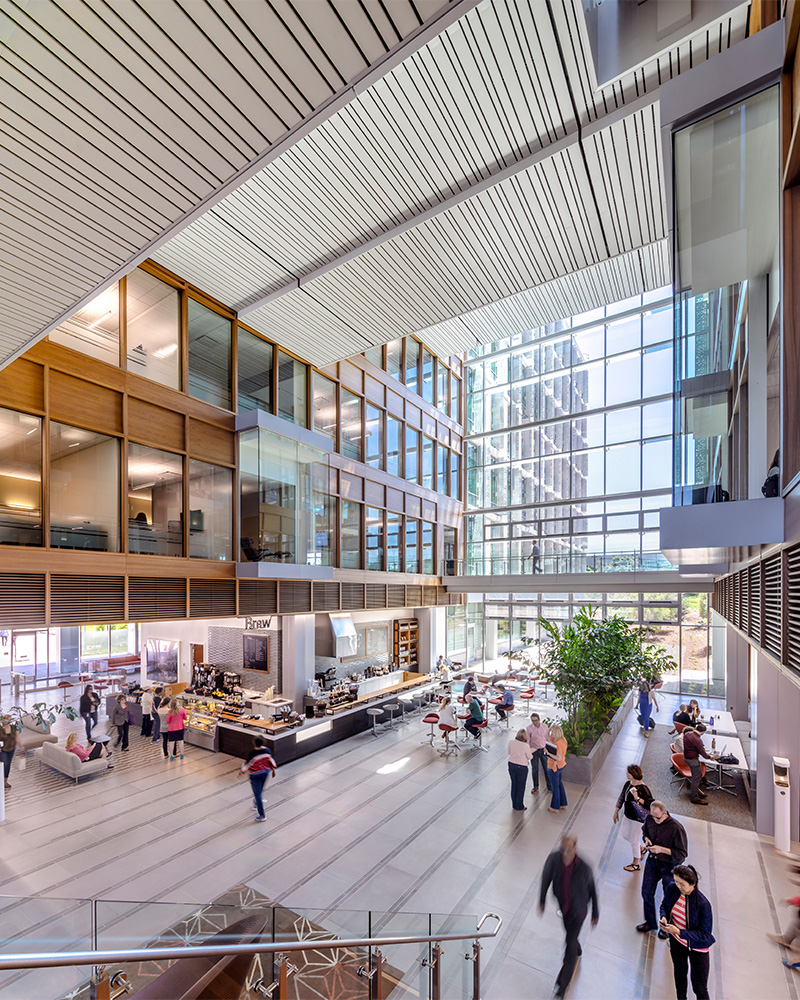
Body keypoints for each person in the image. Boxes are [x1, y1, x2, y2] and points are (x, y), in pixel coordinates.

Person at [539, 835, 599, 999]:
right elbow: (546, 878)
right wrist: (542, 900)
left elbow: (592, 889)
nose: (565, 852)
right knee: (570, 936)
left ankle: (562, 985)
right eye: (563, 848)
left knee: (569, 945)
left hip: (579, 911)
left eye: (568, 848)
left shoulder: (583, 867)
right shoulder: (554, 860)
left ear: (575, 848)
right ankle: (577, 947)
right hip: (564, 908)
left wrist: (595, 912)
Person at [660, 865, 715, 1000]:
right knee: (679, 976)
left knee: (699, 987)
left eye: (682, 884)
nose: (678, 886)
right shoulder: (673, 889)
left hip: (697, 948)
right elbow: (664, 906)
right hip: (677, 942)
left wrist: (679, 931)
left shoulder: (703, 904)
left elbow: (704, 935)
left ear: (693, 884)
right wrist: (664, 916)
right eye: (676, 881)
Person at [637, 801, 688, 935]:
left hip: (669, 865)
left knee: (669, 897)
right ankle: (650, 922)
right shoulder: (650, 818)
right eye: (653, 817)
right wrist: (646, 839)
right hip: (653, 862)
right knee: (646, 892)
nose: (655, 820)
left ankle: (666, 928)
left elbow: (682, 854)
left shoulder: (676, 828)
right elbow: (645, 831)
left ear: (665, 813)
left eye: (658, 818)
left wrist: (662, 850)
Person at [613, 763, 653, 871]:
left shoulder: (644, 789)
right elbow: (622, 796)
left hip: (638, 819)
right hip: (628, 815)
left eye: (628, 772)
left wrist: (637, 798)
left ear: (633, 774)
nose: (626, 773)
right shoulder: (628, 784)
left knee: (634, 840)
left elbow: (650, 804)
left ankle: (635, 864)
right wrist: (617, 810)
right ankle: (642, 849)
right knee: (626, 835)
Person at [240, 735, 277, 822]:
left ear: (254, 743)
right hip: (265, 773)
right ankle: (256, 803)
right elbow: (271, 760)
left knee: (258, 795)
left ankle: (262, 815)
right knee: (260, 790)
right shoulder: (267, 750)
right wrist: (273, 770)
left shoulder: (252, 753)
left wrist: (242, 771)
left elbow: (246, 765)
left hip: (255, 776)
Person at [682, 723, 719, 805]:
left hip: (686, 758)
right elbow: (705, 756)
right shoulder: (698, 740)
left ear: (696, 728)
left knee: (697, 776)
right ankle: (694, 798)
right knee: (696, 779)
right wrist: (713, 757)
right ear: (703, 732)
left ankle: (696, 792)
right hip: (693, 761)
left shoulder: (687, 734)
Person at [526, 713, 551, 794]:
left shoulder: (544, 726)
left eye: (536, 720)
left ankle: (549, 786)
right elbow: (528, 741)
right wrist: (529, 751)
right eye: (533, 721)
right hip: (534, 750)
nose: (534, 722)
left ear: (539, 720)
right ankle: (535, 786)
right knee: (535, 769)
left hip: (543, 750)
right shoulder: (529, 728)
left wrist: (548, 748)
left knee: (546, 769)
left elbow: (547, 738)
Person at [507, 729, 532, 810]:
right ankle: (519, 805)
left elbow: (509, 752)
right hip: (522, 767)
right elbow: (529, 757)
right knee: (521, 786)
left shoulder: (511, 742)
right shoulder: (526, 746)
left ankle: (514, 804)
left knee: (514, 784)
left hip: (511, 765)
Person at [547, 723, 568, 813]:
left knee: (555, 787)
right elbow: (546, 737)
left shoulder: (558, 743)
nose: (551, 734)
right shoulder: (562, 740)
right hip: (561, 765)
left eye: (552, 732)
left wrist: (547, 753)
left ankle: (555, 807)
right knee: (559, 784)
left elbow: (558, 757)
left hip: (554, 767)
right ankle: (563, 804)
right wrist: (550, 728)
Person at [0, 716, 16, 789]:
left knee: (8, 765)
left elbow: (16, 737)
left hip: (11, 748)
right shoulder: (0, 729)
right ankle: (2, 781)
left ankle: (5, 781)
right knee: (5, 764)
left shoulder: (13, 727)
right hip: (3, 750)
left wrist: (21, 746)